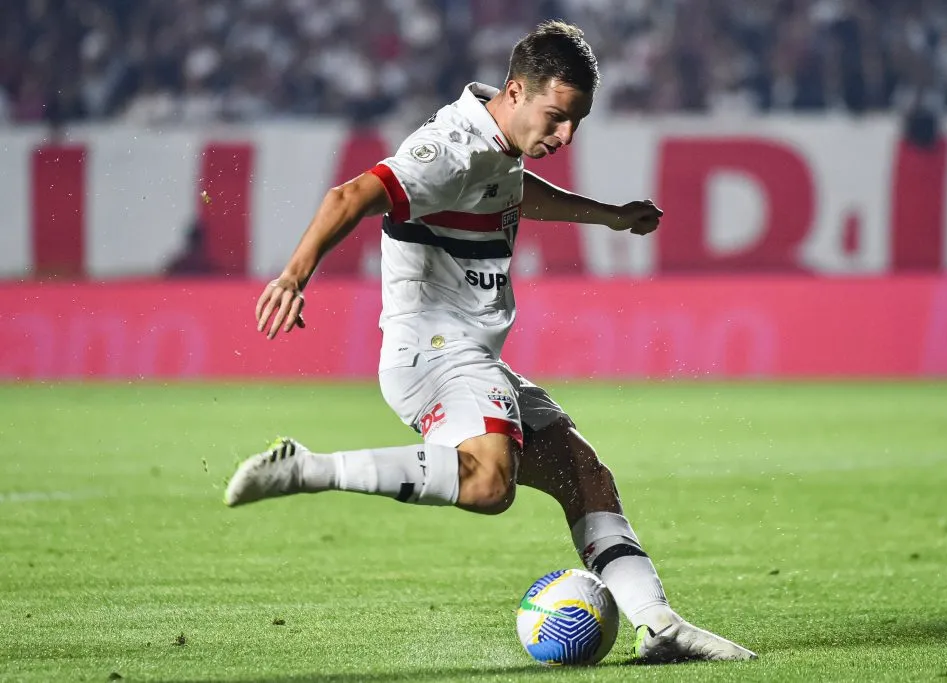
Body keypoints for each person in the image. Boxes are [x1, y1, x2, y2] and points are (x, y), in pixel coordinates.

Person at [225, 20, 756, 663]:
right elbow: (353, 194)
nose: (565, 136)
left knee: (584, 474)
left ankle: (659, 624)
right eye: (557, 117)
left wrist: (611, 216)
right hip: (435, 353)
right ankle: (308, 469)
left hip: (471, 354)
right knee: (487, 485)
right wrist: (294, 275)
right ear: (516, 90)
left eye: (576, 122)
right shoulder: (449, 148)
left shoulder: (495, 144)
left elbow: (512, 194)